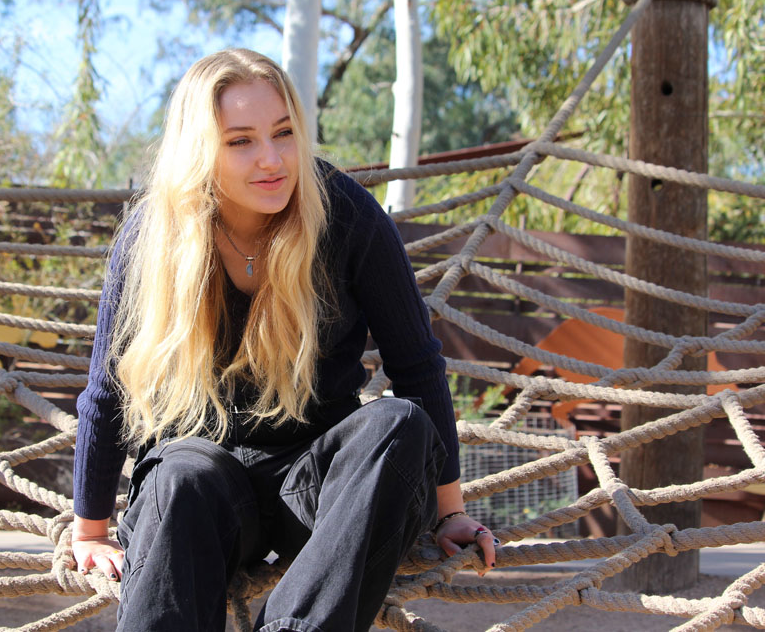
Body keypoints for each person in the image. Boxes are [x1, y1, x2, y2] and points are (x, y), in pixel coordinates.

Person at [71, 48, 497, 632]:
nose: (272, 160)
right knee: (178, 478)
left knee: (398, 424)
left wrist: (451, 512)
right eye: (240, 141)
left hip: (320, 489)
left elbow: (417, 366)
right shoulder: (153, 235)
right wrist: (90, 530)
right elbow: (107, 391)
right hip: (204, 487)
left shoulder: (345, 214)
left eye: (284, 133)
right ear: (201, 150)